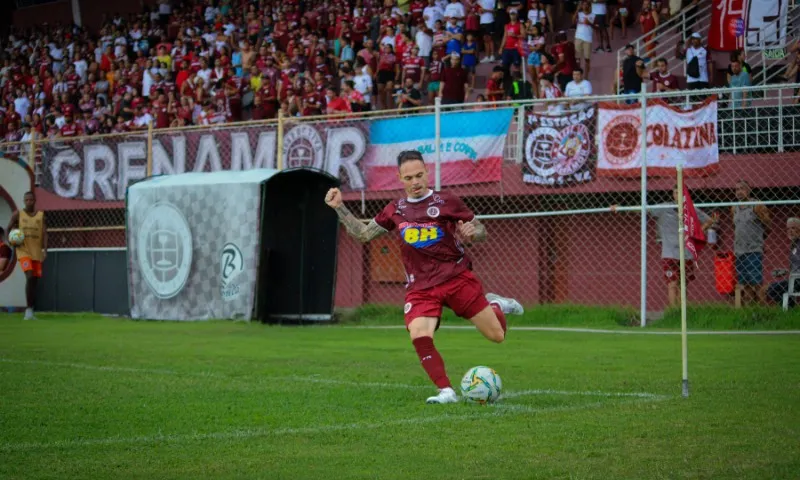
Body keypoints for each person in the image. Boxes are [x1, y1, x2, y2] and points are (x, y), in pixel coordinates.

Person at [324, 150, 524, 404]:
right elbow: (363, 234)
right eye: (409, 178)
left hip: (456, 277)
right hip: (421, 287)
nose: (415, 182)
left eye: (419, 175)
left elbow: (481, 231)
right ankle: (446, 391)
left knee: (497, 336)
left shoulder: (447, 201)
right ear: (400, 178)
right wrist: (339, 207)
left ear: (427, 172)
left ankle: (495, 304)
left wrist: (474, 232)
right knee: (419, 333)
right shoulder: (395, 209)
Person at [612, 186, 716, 308]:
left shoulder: (691, 209)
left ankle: (682, 312)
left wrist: (695, 233)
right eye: (676, 193)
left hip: (686, 253)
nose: (678, 195)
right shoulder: (664, 207)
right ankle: (673, 313)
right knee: (672, 284)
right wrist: (621, 208)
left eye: (681, 193)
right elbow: (644, 209)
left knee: (682, 285)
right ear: (673, 195)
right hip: (669, 253)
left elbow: (710, 220)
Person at [7, 191, 47, 320]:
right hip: (23, 250)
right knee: (29, 276)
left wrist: (44, 250)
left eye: (31, 199)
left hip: (36, 252)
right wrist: (12, 242)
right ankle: (27, 311)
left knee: (34, 281)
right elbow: (8, 229)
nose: (29, 202)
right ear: (24, 201)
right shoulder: (18, 214)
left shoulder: (41, 216)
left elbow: (45, 233)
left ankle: (30, 310)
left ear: (35, 201)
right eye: (26, 200)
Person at [732, 181, 771, 306]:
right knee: (745, 283)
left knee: (756, 282)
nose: (739, 191)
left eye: (742, 188)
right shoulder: (734, 207)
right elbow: (736, 227)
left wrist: (759, 240)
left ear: (748, 190)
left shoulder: (757, 205)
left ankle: (762, 310)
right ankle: (750, 310)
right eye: (737, 189)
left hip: (753, 249)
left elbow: (768, 226)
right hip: (739, 250)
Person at [763, 218, 800, 307]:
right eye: (788, 229)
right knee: (772, 289)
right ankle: (789, 308)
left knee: (772, 289)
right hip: (794, 279)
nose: (790, 231)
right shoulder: (794, 245)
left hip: (798, 279)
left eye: (793, 228)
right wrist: (785, 271)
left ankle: (788, 307)